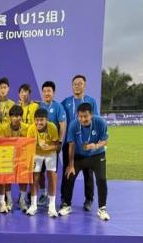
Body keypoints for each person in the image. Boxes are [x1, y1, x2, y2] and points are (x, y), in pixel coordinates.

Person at [59, 103, 109, 221]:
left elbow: (105, 140)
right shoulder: (73, 125)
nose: (82, 119)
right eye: (80, 116)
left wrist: (96, 146)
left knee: (101, 179)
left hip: (97, 155)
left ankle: (102, 209)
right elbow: (71, 145)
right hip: (79, 156)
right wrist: (71, 164)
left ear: (91, 115)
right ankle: (67, 205)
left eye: (85, 116)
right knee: (69, 175)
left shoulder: (100, 122)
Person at [60, 74, 99, 211]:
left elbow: (96, 120)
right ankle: (65, 199)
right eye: (75, 84)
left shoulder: (91, 101)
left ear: (85, 85)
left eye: (80, 84)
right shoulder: (66, 102)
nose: (77, 86)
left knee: (88, 173)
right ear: (72, 86)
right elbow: (60, 118)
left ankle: (88, 199)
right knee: (68, 172)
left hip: (86, 143)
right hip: (69, 143)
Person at [26, 108, 61, 217]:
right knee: (34, 177)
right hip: (36, 153)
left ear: (46, 120)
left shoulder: (52, 127)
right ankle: (33, 205)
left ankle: (52, 206)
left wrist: (48, 147)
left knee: (52, 175)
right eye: (37, 120)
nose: (39, 122)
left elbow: (57, 146)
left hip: (50, 153)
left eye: (41, 120)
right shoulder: (31, 129)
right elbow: (28, 146)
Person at [37, 81, 66, 206]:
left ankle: (51, 197)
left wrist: (60, 141)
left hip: (53, 145)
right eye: (44, 91)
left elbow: (62, 125)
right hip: (39, 146)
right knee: (39, 172)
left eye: (49, 91)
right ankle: (43, 193)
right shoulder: (39, 106)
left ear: (53, 93)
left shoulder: (58, 107)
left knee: (51, 172)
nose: (46, 93)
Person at [2, 104, 29, 211]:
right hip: (8, 157)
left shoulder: (27, 128)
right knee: (7, 177)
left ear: (21, 117)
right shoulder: (4, 128)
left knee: (24, 177)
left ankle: (22, 200)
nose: (15, 118)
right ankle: (9, 200)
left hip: (22, 157)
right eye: (13, 116)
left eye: (18, 116)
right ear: (10, 117)